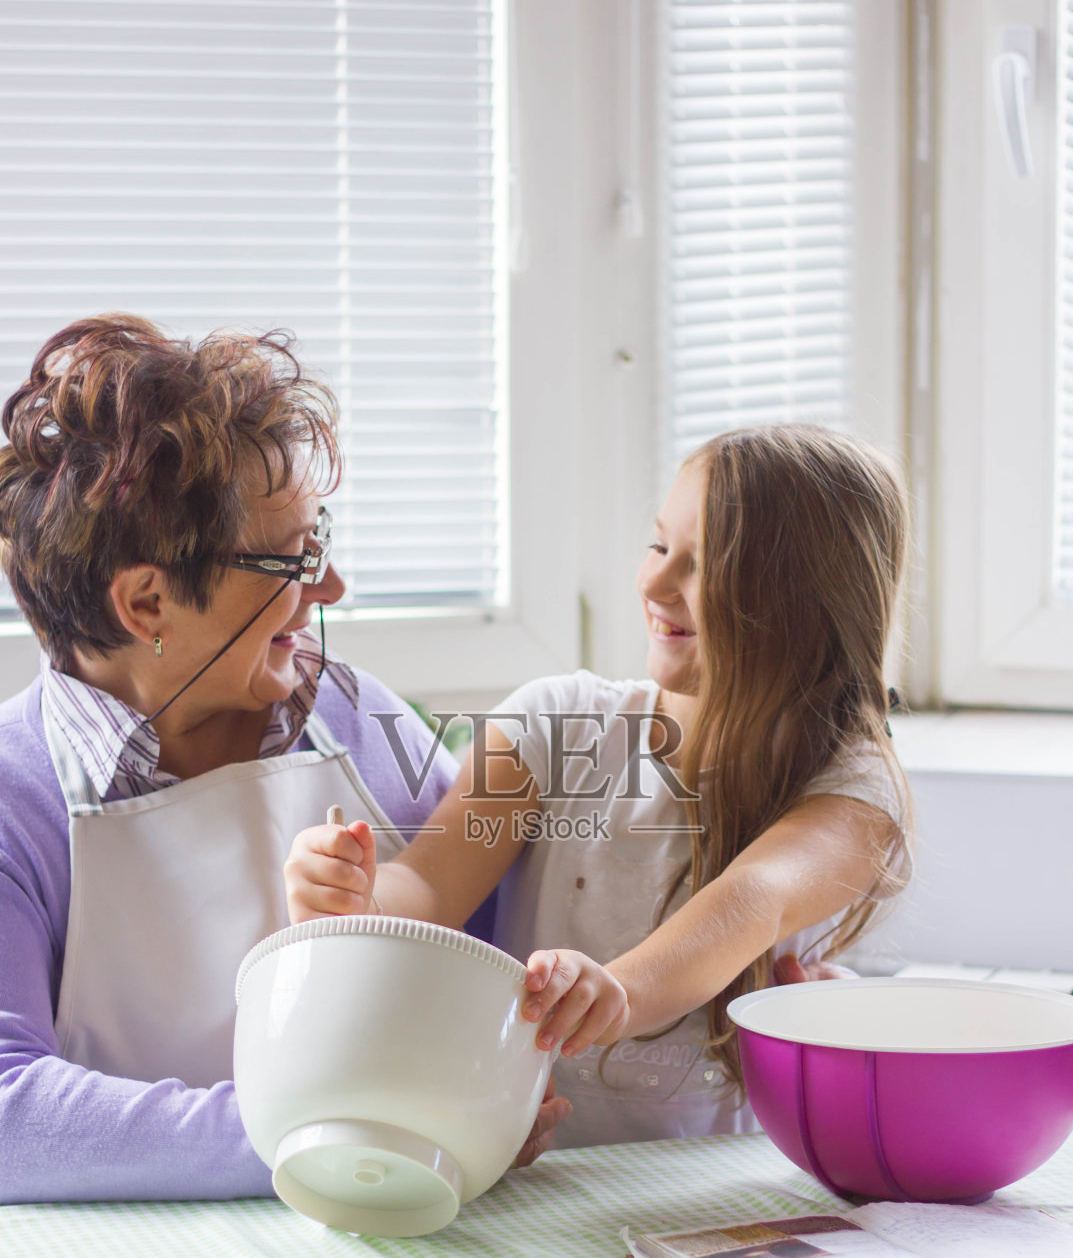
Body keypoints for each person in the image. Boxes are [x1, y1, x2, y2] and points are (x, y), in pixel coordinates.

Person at [0, 314, 564, 1203]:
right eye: (291, 561)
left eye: (319, 540)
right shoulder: (16, 798)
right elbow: (12, 1117)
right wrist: (329, 1135)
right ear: (147, 604)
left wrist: (490, 1092)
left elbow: (497, 952)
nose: (329, 586)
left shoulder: (360, 719)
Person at [286, 424, 912, 1146]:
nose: (652, 584)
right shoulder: (552, 721)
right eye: (658, 547)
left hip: (714, 1181)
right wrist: (356, 896)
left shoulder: (852, 787)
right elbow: (429, 885)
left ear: (808, 606)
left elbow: (753, 899)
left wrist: (619, 992)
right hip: (535, 1166)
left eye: (705, 566)